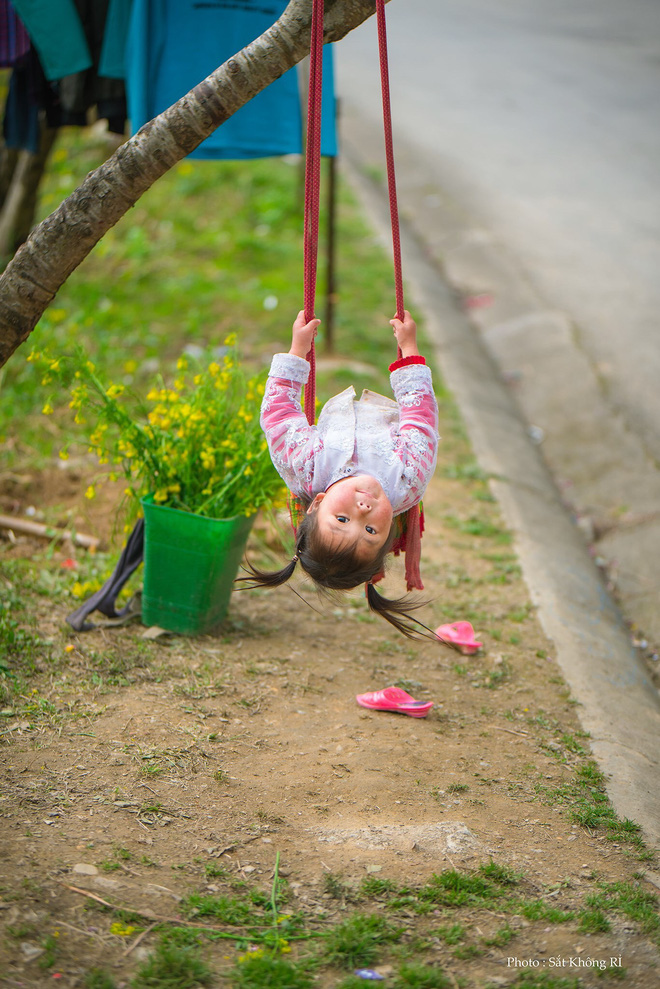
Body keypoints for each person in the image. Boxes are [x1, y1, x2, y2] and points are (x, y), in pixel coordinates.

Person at [236, 309, 439, 637]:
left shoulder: (306, 466)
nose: (362, 512)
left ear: (317, 503)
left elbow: (279, 414)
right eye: (372, 530)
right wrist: (410, 350)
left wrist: (297, 351)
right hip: (391, 415)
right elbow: (420, 417)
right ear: (390, 533)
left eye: (342, 520)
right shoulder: (408, 479)